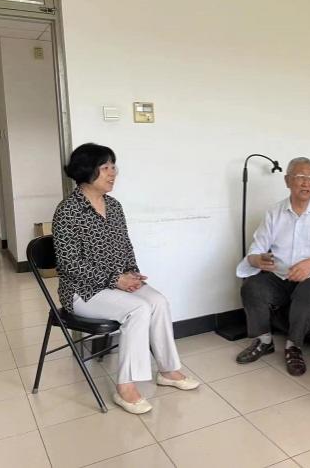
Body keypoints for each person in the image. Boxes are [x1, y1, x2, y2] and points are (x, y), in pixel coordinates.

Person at [52, 143, 199, 415]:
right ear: (87, 170)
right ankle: (126, 387)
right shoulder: (68, 211)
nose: (113, 173)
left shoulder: (114, 206)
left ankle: (168, 370)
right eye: (105, 167)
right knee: (138, 309)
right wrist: (114, 280)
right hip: (82, 292)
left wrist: (132, 274)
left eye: (113, 166)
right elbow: (68, 264)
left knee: (158, 301)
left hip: (116, 282)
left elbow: (125, 247)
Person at [235, 157, 310, 376]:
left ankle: (294, 346)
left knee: (308, 290)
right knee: (252, 286)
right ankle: (264, 341)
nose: (307, 183)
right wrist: (258, 260)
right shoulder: (274, 212)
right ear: (287, 180)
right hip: (280, 274)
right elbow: (255, 250)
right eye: (301, 177)